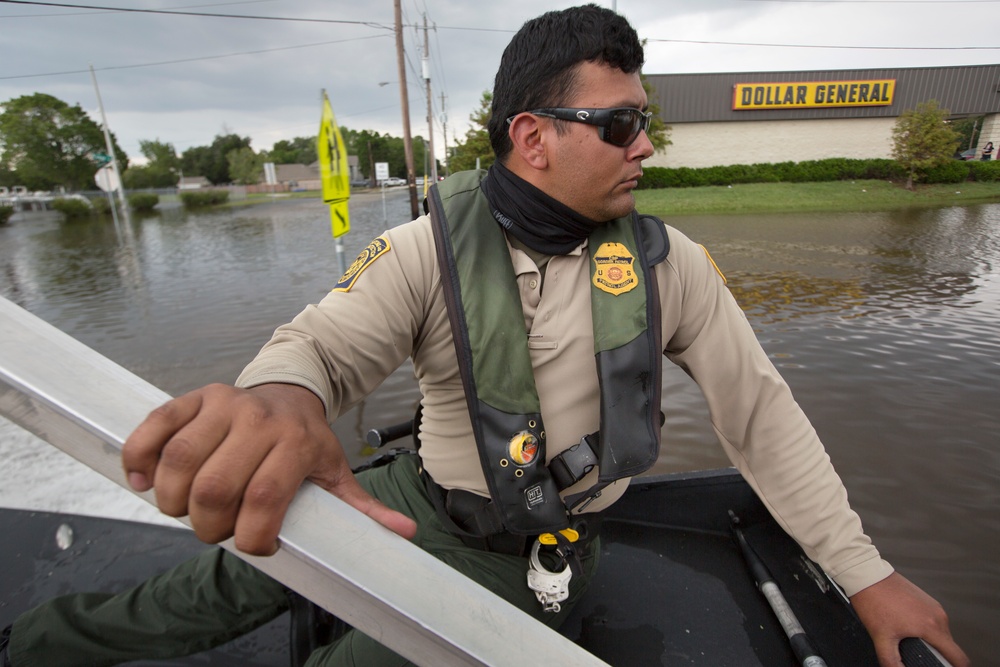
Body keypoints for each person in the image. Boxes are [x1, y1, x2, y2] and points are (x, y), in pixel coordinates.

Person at [1, 5, 969, 667]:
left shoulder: (671, 264)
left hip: (524, 553)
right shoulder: (426, 248)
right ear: (533, 135)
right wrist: (278, 403)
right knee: (179, 601)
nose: (644, 144)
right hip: (404, 495)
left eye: (647, 120)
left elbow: (762, 420)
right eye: (620, 120)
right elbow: (322, 349)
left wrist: (865, 573)